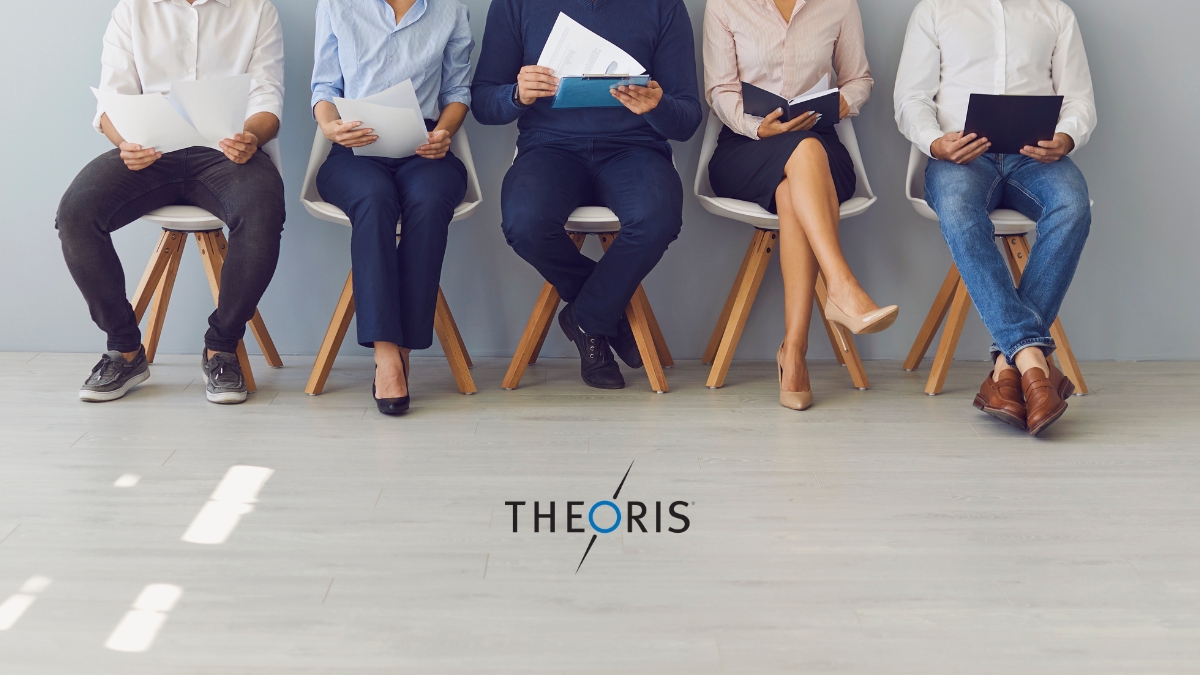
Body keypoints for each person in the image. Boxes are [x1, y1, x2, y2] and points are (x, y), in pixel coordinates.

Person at [57, 0, 285, 405]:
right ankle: (125, 350)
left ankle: (222, 348)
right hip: (149, 150)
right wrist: (124, 143)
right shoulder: (132, 9)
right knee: (76, 212)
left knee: (263, 210)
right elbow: (110, 100)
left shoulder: (255, 8)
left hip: (227, 150)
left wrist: (251, 135)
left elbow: (268, 95)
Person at [471, 0, 702, 390]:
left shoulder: (663, 6)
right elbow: (483, 102)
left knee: (657, 216)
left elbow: (687, 117)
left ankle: (587, 319)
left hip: (634, 147)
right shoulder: (516, 4)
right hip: (549, 147)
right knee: (524, 221)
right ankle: (606, 315)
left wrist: (657, 106)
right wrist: (516, 94)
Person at [895, 0, 1096, 435]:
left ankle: (1009, 367)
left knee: (1073, 206)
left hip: (1035, 158)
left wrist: (1066, 136)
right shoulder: (934, 10)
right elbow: (910, 98)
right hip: (961, 158)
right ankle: (1033, 363)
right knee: (961, 214)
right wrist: (935, 143)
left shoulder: (1054, 12)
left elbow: (1079, 97)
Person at [704, 0, 898, 411]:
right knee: (799, 162)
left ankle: (793, 351)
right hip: (747, 145)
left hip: (821, 147)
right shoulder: (724, 4)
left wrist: (843, 103)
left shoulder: (839, 3)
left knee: (794, 185)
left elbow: (858, 78)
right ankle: (841, 287)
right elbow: (719, 90)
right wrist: (758, 126)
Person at [310, 0, 474, 416]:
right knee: (374, 199)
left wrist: (445, 131)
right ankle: (387, 355)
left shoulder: (451, 8)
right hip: (353, 152)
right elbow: (325, 89)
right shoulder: (336, 5)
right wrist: (330, 126)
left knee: (430, 198)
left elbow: (456, 92)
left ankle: (404, 349)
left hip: (424, 149)